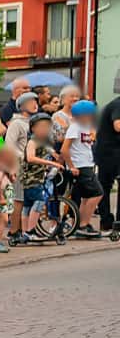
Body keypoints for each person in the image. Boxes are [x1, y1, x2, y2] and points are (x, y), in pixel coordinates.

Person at [18, 112, 63, 242]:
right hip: (31, 178)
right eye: (41, 127)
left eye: (47, 127)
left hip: (37, 177)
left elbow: (52, 152)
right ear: (33, 128)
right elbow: (30, 158)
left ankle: (26, 232)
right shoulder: (32, 141)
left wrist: (58, 159)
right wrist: (51, 163)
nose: (44, 129)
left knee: (28, 206)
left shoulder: (43, 141)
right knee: (38, 203)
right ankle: (30, 231)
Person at [61, 99, 104, 238]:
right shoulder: (75, 127)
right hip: (80, 166)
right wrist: (71, 166)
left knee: (87, 196)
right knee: (98, 193)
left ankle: (81, 224)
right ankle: (83, 224)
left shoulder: (87, 126)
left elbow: (91, 137)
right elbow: (64, 149)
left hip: (87, 164)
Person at [95, 90, 120, 235]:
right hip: (111, 152)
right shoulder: (118, 105)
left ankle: (107, 221)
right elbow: (118, 125)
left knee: (104, 185)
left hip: (108, 151)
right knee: (105, 185)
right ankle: (111, 221)